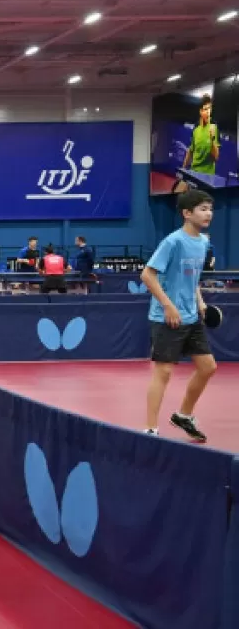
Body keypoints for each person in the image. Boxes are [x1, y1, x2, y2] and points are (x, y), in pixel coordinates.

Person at [141, 188, 215, 442]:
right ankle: (150, 428)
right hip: (167, 317)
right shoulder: (173, 242)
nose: (208, 214)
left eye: (210, 209)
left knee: (207, 367)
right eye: (203, 209)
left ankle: (183, 415)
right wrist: (168, 305)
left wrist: (201, 303)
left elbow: (192, 278)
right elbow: (147, 275)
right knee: (163, 372)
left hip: (191, 316)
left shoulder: (203, 242)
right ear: (187, 213)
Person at [182, 94, 219, 175]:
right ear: (200, 111)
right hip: (194, 172)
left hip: (207, 176)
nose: (208, 112)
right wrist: (183, 169)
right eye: (205, 109)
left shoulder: (214, 127)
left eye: (210, 109)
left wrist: (212, 138)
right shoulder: (196, 128)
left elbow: (215, 157)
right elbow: (190, 151)